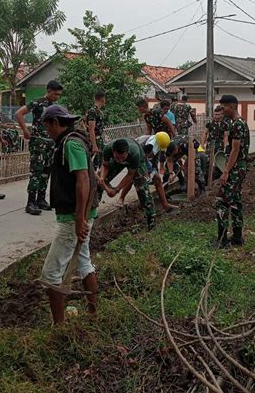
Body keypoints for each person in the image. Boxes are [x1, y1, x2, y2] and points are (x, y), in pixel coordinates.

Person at [40, 105, 99, 324]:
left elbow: (82, 180)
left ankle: (59, 328)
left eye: (48, 128)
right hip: (81, 213)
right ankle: (93, 314)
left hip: (73, 217)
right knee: (84, 261)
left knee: (51, 274)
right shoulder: (75, 140)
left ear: (55, 122)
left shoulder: (71, 143)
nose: (48, 133)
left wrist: (79, 218)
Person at [16, 80, 63, 215]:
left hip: (50, 143)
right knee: (36, 171)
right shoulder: (37, 103)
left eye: (59, 95)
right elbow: (19, 113)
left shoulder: (55, 106)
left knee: (46, 171)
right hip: (38, 142)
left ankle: (41, 199)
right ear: (48, 91)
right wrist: (25, 130)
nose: (57, 97)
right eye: (55, 94)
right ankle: (30, 202)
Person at [213, 95, 250, 248]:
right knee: (235, 202)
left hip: (235, 168)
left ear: (233, 107)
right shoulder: (240, 123)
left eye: (224, 107)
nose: (222, 110)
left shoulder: (237, 125)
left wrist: (226, 171)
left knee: (221, 201)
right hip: (239, 167)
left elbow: (235, 150)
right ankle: (236, 239)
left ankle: (221, 240)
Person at [99, 137, 156, 229]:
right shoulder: (107, 149)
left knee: (142, 189)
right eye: (117, 157)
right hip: (115, 159)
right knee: (97, 183)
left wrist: (116, 190)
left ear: (127, 152)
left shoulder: (134, 154)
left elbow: (130, 175)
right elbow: (105, 165)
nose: (120, 160)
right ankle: (92, 209)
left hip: (137, 161)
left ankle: (151, 220)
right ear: (113, 151)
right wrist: (102, 178)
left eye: (123, 158)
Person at [119, 133, 178, 212]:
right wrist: (145, 174)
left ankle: (165, 205)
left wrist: (153, 172)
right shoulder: (146, 144)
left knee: (157, 179)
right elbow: (139, 160)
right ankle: (121, 198)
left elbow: (155, 161)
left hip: (144, 159)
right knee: (132, 178)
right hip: (133, 157)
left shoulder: (158, 145)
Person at [86, 91, 106, 172]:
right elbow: (91, 129)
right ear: (103, 100)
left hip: (99, 140)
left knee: (101, 163)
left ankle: (98, 183)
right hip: (94, 141)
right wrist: (94, 145)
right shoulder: (92, 111)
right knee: (93, 165)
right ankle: (91, 183)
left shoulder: (98, 112)